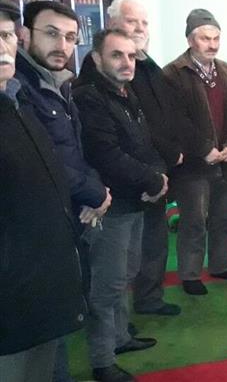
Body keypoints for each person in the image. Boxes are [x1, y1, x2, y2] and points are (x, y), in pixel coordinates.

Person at [15, 0, 111, 382]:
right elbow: (43, 158)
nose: (63, 45)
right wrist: (95, 193)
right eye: (52, 34)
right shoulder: (20, 89)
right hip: (39, 226)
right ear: (25, 35)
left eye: (70, 37)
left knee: (61, 322)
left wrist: (93, 191)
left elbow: (77, 150)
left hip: (71, 213)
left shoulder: (60, 84)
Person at [0, 0, 86, 382]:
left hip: (41, 281)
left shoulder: (17, 101)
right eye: (51, 33)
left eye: (5, 35)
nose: (2, 46)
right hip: (11, 296)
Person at [74, 29, 167, 382]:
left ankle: (121, 337)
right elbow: (107, 155)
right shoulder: (89, 97)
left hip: (134, 200)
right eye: (117, 55)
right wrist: (153, 181)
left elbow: (144, 145)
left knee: (124, 275)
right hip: (109, 206)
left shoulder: (125, 93)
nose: (127, 62)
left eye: (131, 56)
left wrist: (157, 177)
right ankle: (102, 361)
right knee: (107, 286)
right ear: (97, 58)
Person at [162, 9, 227, 295]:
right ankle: (190, 274)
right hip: (193, 166)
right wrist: (204, 149)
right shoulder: (173, 74)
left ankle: (220, 265)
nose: (212, 45)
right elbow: (174, 121)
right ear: (190, 40)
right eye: (205, 38)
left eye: (216, 38)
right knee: (193, 221)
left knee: (225, 218)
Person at [106, 0, 183, 316]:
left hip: (157, 173)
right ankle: (117, 324)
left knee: (154, 242)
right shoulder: (106, 74)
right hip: (129, 179)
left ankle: (149, 299)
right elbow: (131, 132)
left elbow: (164, 116)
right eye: (131, 21)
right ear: (112, 25)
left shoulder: (150, 66)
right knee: (122, 257)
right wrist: (155, 167)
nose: (139, 28)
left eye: (144, 22)